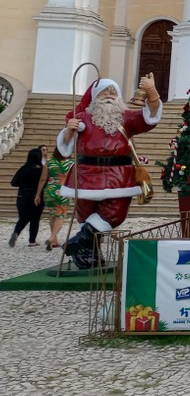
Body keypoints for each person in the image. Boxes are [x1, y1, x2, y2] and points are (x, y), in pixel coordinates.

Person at [57, 75, 161, 269]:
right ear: (95, 96)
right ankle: (89, 255)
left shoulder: (127, 117)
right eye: (104, 92)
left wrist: (152, 92)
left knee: (115, 213)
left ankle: (77, 241)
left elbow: (150, 117)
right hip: (86, 175)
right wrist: (69, 130)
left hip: (118, 176)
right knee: (86, 213)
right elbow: (66, 145)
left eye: (113, 92)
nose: (109, 95)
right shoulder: (82, 118)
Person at [9, 146, 47, 247]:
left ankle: (16, 232)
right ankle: (32, 240)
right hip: (36, 196)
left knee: (23, 218)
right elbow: (45, 183)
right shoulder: (41, 170)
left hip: (22, 196)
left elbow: (13, 183)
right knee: (35, 219)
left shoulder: (23, 169)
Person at [43, 146, 73, 251]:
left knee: (53, 215)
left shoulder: (49, 162)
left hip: (50, 190)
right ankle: (52, 237)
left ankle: (54, 240)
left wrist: (38, 194)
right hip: (63, 190)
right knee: (61, 215)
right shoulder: (72, 163)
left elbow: (43, 179)